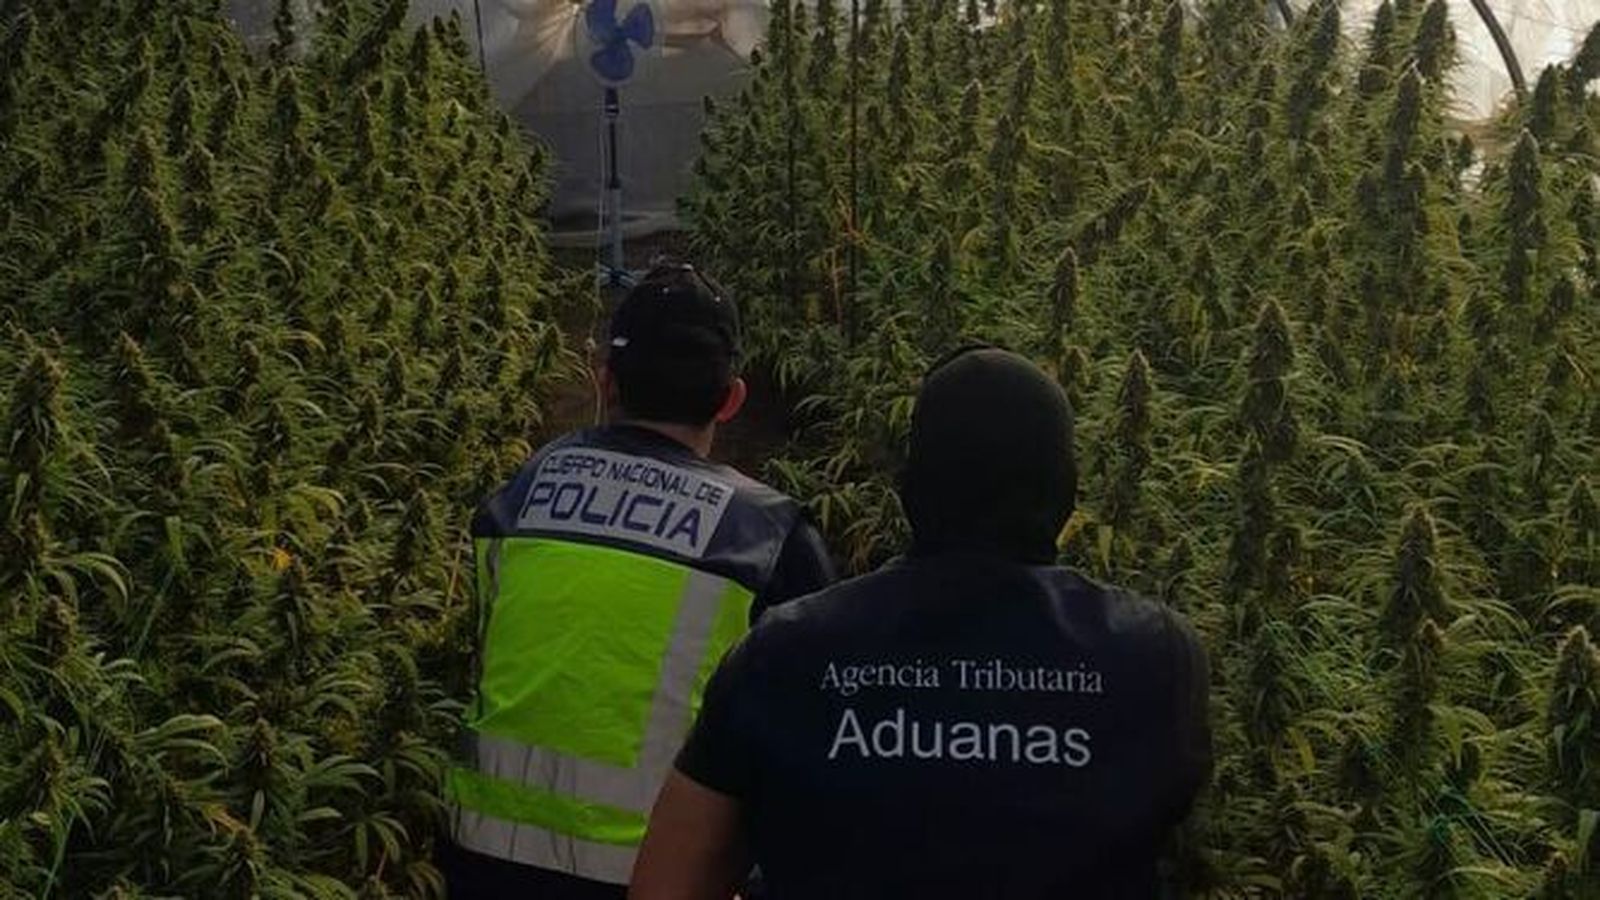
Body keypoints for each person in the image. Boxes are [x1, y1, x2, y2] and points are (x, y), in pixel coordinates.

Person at [631, 346, 1212, 899]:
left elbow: (670, 883)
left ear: (912, 487)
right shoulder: (1155, 659)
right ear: (1064, 491)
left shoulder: (783, 655)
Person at [442, 263, 837, 899]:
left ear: (604, 382)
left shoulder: (520, 495)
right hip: (655, 877)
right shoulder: (765, 537)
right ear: (733, 398)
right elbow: (810, 752)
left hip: (481, 862)